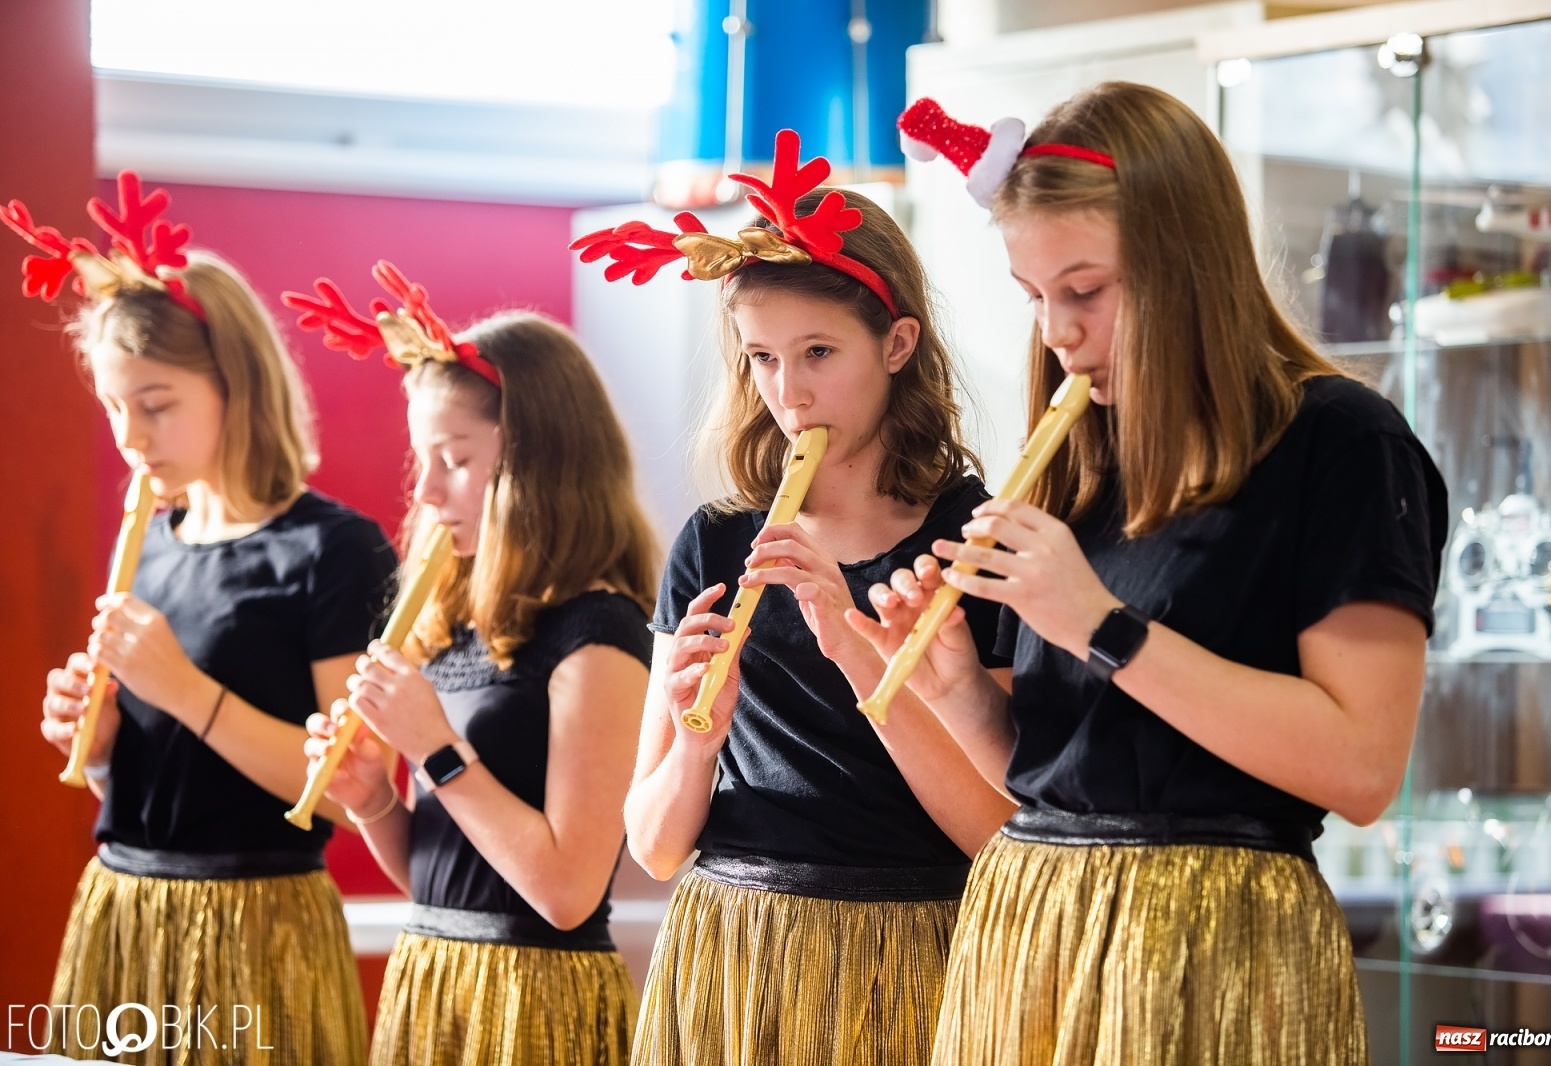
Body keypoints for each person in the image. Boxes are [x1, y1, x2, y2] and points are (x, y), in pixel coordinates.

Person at [872, 83, 1450, 1065]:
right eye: (1035, 297)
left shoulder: (1341, 443)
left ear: (1186, 266)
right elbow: (1058, 781)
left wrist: (1103, 626)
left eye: (1085, 291)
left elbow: (1360, 768)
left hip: (1219, 943)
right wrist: (961, 693)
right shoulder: (1074, 459)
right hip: (1035, 927)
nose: (1057, 331)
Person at [574, 130, 1016, 1066]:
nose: (790, 393)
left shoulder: (977, 539)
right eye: (764, 358)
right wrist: (697, 744)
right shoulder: (717, 541)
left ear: (898, 344)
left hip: (911, 944)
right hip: (729, 946)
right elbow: (653, 846)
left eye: (818, 351)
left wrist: (853, 643)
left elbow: (996, 834)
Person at [23, 173, 390, 1065]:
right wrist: (105, 736)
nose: (129, 438)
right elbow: (150, 773)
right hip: (124, 901)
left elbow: (334, 793)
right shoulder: (151, 535)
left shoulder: (333, 549)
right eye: (114, 408)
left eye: (155, 406)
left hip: (260, 915)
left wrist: (180, 690)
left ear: (236, 385)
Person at [287, 265, 655, 1066]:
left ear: (539, 461)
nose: (428, 495)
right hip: (435, 973)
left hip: (536, 999)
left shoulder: (599, 630)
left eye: (454, 460)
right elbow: (437, 878)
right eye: (423, 464)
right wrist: (374, 802)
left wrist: (435, 749)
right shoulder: (453, 626)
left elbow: (564, 893)